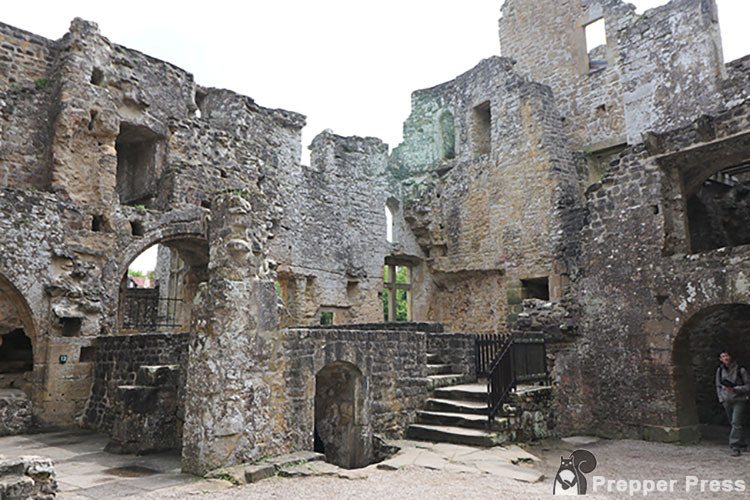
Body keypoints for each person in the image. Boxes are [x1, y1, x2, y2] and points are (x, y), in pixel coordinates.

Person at [716, 350, 749, 456]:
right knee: (734, 423)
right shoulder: (720, 371)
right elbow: (718, 386)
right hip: (727, 400)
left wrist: (735, 389)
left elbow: (748, 386)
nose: (725, 358)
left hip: (739, 399)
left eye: (726, 356)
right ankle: (743, 443)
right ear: (720, 359)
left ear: (730, 357)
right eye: (723, 356)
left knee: (735, 422)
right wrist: (721, 398)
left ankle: (735, 446)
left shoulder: (740, 370)